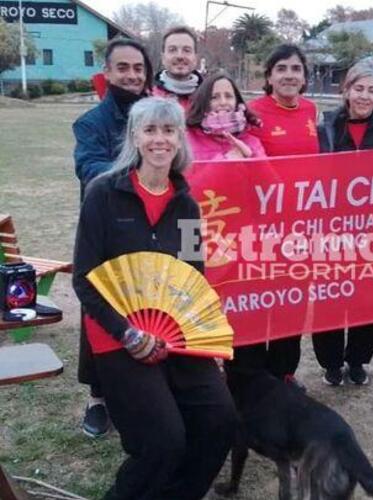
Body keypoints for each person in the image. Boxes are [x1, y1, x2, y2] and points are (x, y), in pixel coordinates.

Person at [72, 97, 237, 499]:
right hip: (116, 338)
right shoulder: (103, 195)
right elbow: (84, 280)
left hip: (174, 336)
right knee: (163, 441)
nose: (160, 139)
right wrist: (127, 334)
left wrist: (202, 342)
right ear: (134, 137)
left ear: (180, 139)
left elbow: (192, 279)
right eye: (150, 130)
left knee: (221, 421)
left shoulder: (186, 206)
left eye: (168, 131)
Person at [72, 37, 153, 438]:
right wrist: (143, 169)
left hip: (155, 228)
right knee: (101, 309)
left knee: (151, 306)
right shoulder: (91, 123)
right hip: (106, 231)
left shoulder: (156, 113)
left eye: (138, 68)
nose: (132, 75)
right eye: (123, 68)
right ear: (107, 72)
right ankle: (98, 397)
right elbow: (90, 169)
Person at [312, 57, 373, 386]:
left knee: (368, 299)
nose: (365, 96)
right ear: (346, 90)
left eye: (372, 90)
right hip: (330, 230)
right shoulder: (323, 129)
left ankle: (357, 360)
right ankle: (331, 362)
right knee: (329, 298)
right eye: (359, 88)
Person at [232, 44, 320, 387]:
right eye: (281, 68)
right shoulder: (252, 112)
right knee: (255, 302)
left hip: (301, 228)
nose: (288, 75)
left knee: (292, 303)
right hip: (260, 227)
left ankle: (283, 373)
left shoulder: (311, 110)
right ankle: (250, 377)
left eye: (296, 69)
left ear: (304, 77)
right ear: (269, 76)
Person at [186, 72, 266, 160]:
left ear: (237, 101)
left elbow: (267, 173)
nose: (223, 102)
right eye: (214, 97)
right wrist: (224, 162)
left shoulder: (252, 140)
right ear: (203, 102)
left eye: (228, 96)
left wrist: (251, 158)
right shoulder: (188, 139)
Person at [152, 25, 202, 111]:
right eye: (172, 50)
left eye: (186, 50)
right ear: (163, 58)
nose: (180, 56)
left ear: (195, 58)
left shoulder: (209, 97)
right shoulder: (147, 97)